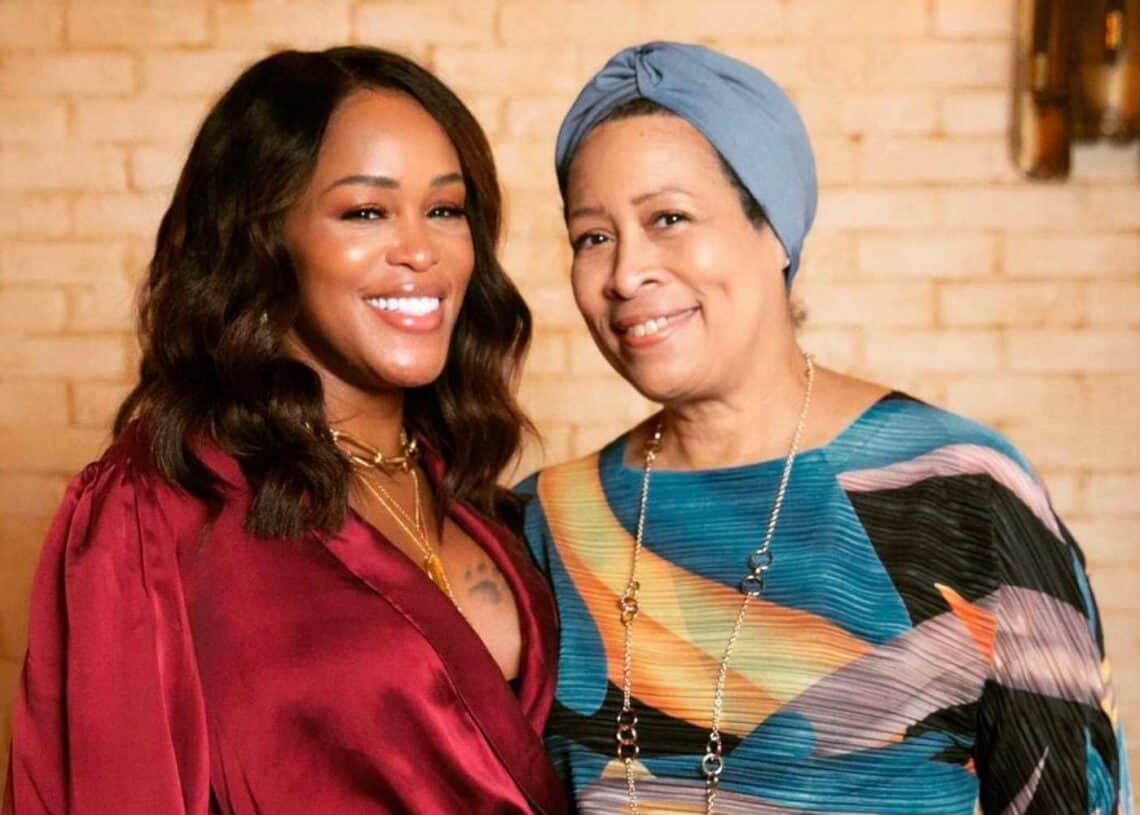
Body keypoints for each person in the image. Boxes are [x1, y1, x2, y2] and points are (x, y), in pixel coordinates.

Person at [518, 41, 1132, 815]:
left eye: (668, 218)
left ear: (774, 230)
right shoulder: (546, 521)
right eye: (592, 236)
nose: (625, 273)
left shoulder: (959, 493)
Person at [5, 46, 566, 814]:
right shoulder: (160, 506)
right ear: (263, 239)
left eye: (445, 209)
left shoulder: (483, 503)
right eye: (365, 211)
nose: (420, 250)